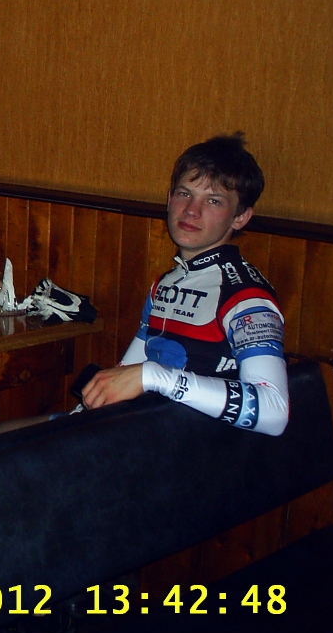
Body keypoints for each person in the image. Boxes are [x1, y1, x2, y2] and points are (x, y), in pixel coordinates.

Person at [81, 133, 288, 436]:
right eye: (184, 193)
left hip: (194, 450)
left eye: (213, 201)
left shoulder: (246, 296)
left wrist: (157, 376)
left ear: (241, 217)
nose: (192, 210)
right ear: (169, 199)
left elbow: (274, 412)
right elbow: (128, 370)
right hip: (140, 434)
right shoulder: (165, 283)